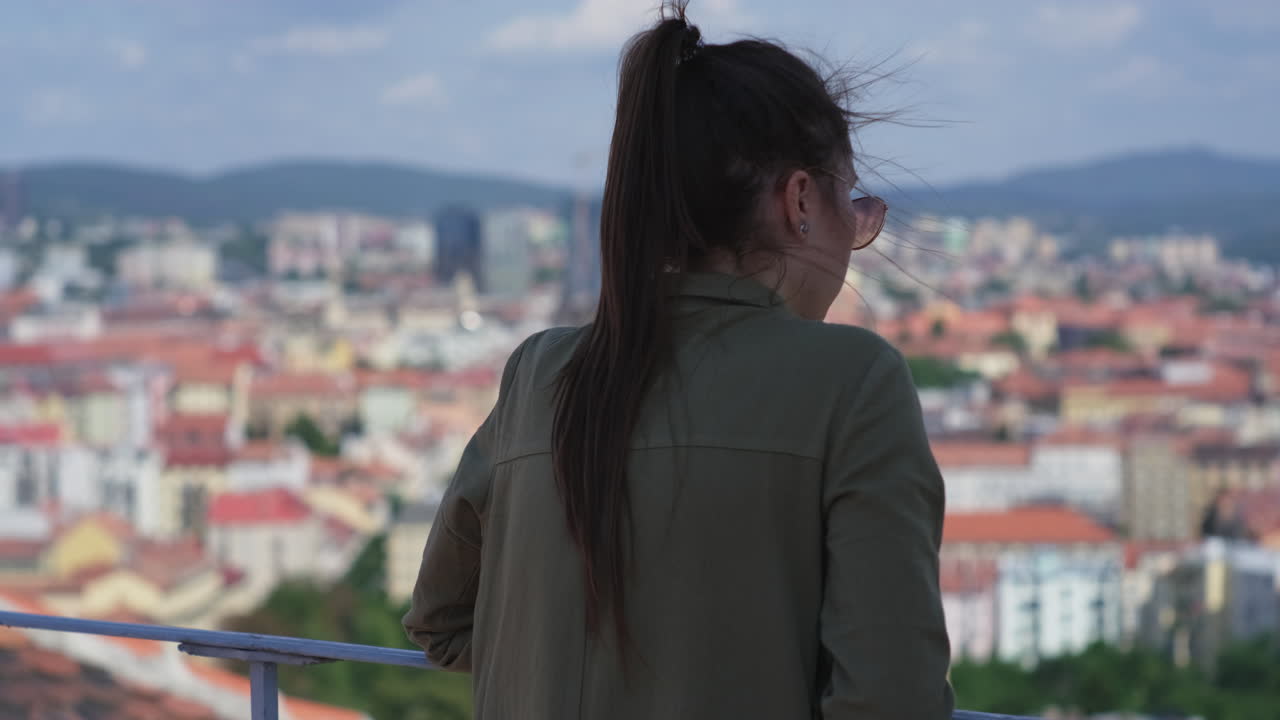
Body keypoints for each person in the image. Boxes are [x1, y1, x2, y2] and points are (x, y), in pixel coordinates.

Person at [404, 3, 955, 718]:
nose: (859, 233)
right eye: (852, 203)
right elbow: (891, 699)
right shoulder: (853, 382)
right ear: (800, 203)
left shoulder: (541, 372)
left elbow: (441, 623)